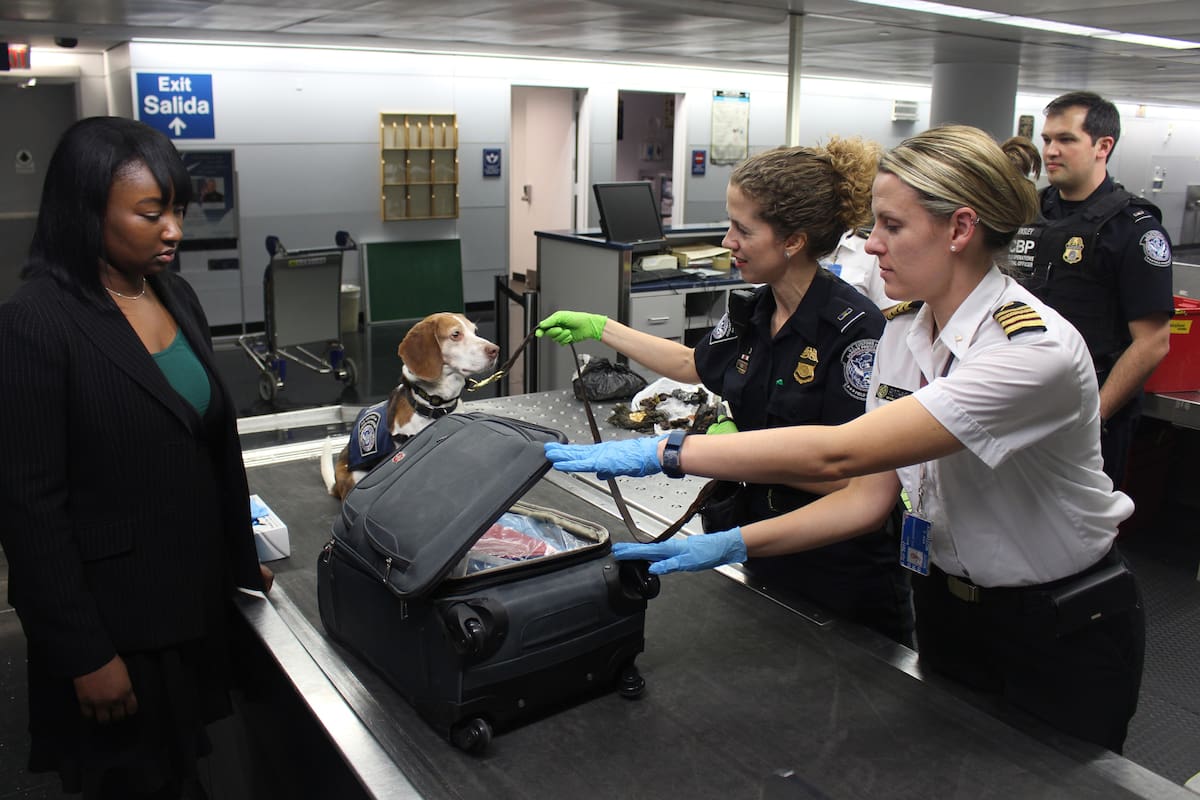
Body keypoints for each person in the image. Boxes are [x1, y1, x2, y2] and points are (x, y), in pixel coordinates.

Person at [544, 125, 1145, 755]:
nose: (869, 244)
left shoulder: (1030, 351)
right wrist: (730, 543)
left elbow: (842, 452)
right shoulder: (902, 336)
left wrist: (666, 452)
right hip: (947, 607)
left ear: (960, 229)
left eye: (890, 225)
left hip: (1055, 623)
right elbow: (865, 498)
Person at [537, 139, 914, 646]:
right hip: (759, 543)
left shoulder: (855, 333)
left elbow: (852, 484)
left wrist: (717, 453)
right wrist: (602, 327)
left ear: (793, 241)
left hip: (834, 572)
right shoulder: (753, 309)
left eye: (743, 229)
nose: (726, 240)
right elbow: (695, 364)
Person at [0, 117, 272, 799]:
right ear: (87, 211)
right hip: (117, 631)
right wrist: (82, 652)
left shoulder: (173, 295)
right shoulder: (37, 320)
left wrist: (240, 562)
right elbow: (29, 509)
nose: (174, 229)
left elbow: (208, 448)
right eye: (152, 213)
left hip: (194, 609)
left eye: (177, 209)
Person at [1007, 91, 1173, 488]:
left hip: (1089, 413)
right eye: (1047, 140)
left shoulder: (1132, 229)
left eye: (1066, 140)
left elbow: (1152, 342)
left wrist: (1094, 416)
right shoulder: (1027, 213)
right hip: (1020, 401)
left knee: (1081, 536)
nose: (1051, 151)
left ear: (1103, 146)